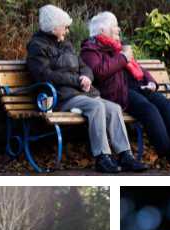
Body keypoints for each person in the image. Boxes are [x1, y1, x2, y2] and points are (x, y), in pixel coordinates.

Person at [26, 4, 148, 173]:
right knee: (97, 106)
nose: (67, 31)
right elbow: (45, 76)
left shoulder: (66, 44)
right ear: (54, 27)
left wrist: (87, 77)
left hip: (80, 93)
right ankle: (102, 157)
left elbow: (84, 66)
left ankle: (125, 155)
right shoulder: (37, 46)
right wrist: (77, 80)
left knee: (113, 108)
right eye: (65, 28)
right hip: (60, 97)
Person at [80, 12, 170, 169]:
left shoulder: (117, 47)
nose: (118, 29)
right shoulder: (90, 49)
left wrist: (151, 82)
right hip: (116, 93)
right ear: (103, 30)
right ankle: (168, 150)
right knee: (148, 109)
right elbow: (99, 71)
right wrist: (123, 58)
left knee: (165, 103)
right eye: (114, 26)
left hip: (136, 87)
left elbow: (140, 69)